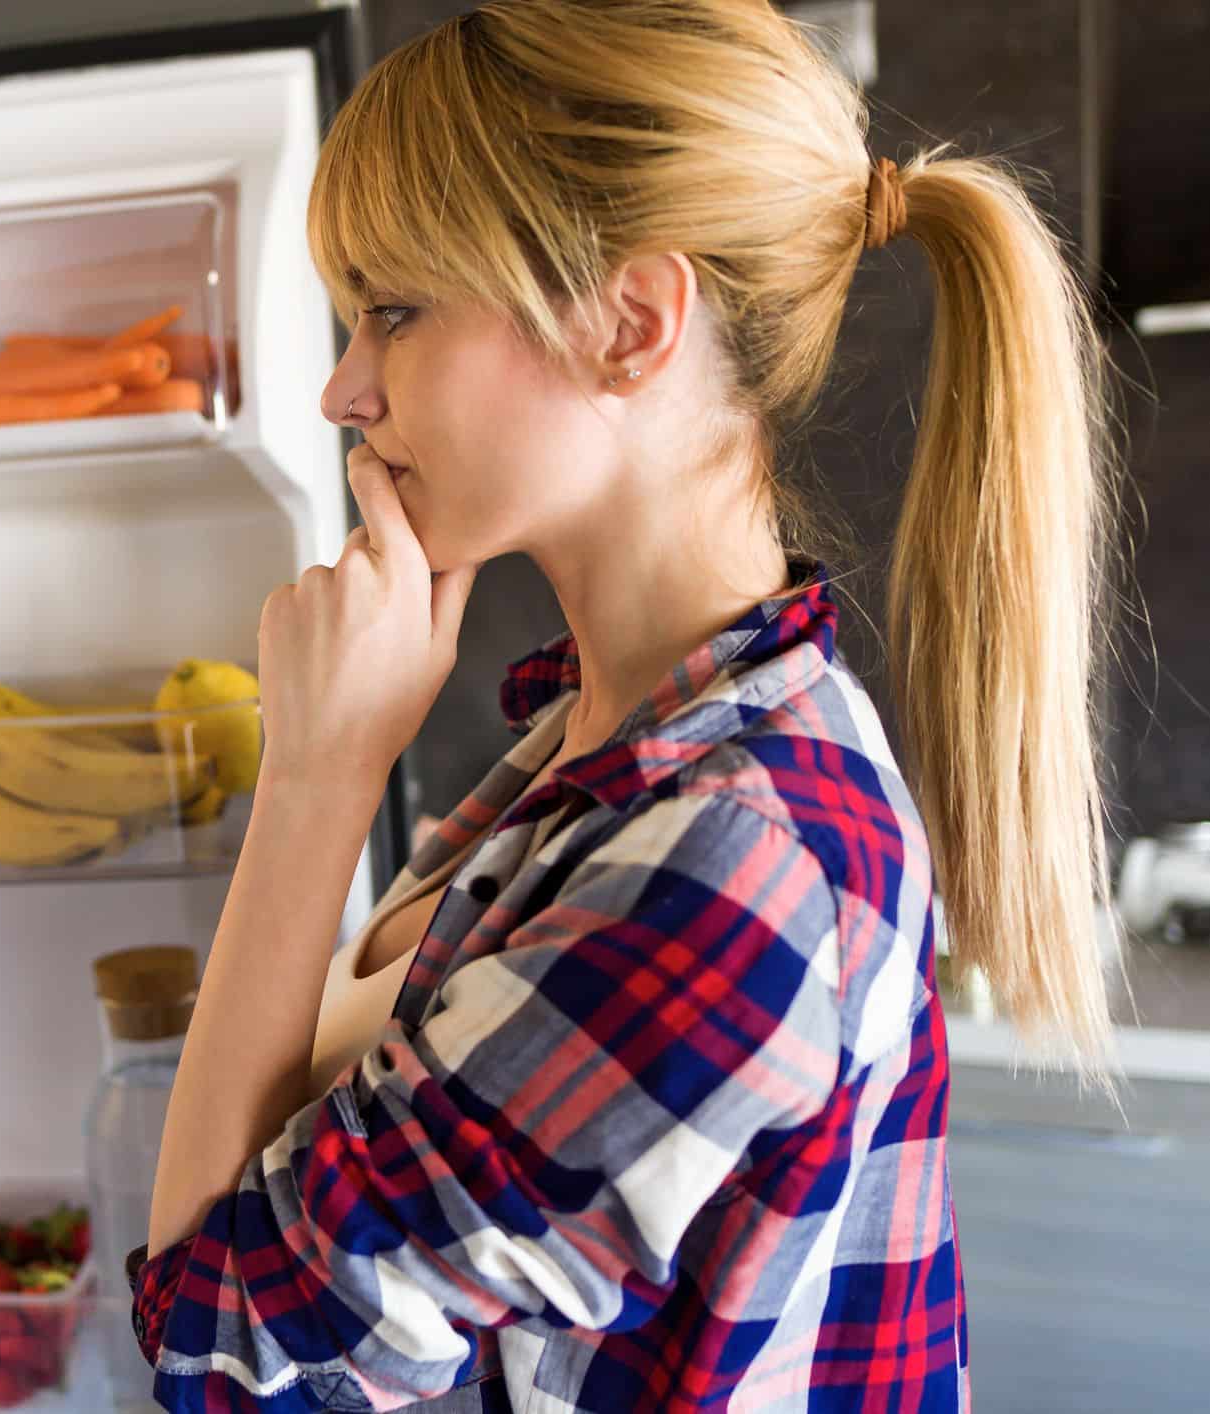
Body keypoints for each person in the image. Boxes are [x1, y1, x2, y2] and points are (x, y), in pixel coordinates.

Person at [127, 2, 1120, 1410]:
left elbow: (220, 1350)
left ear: (629, 324)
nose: (344, 388)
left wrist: (315, 779)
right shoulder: (602, 747)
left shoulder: (727, 860)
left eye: (393, 310)